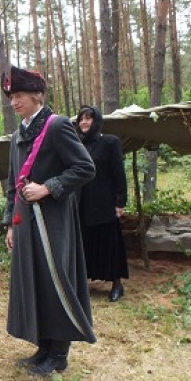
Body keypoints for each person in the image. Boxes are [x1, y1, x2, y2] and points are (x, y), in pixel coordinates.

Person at [0, 66, 96, 376]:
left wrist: (48, 187)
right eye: (11, 97)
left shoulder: (56, 127)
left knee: (56, 280)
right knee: (35, 281)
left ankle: (60, 353)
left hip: (54, 220)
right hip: (26, 222)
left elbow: (85, 167)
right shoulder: (17, 136)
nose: (14, 102)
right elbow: (14, 184)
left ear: (37, 95)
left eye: (19, 96)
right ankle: (43, 346)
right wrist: (11, 223)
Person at [76, 105, 129, 302]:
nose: (84, 122)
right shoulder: (77, 144)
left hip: (104, 203)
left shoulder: (110, 142)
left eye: (89, 118)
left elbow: (119, 174)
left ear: (97, 120)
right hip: (81, 204)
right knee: (85, 243)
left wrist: (120, 202)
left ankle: (117, 284)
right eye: (81, 119)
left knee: (109, 243)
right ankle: (83, 283)